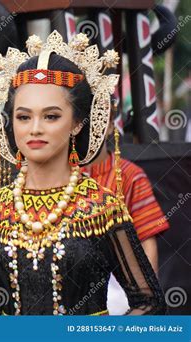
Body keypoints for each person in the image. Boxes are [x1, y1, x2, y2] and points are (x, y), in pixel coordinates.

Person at [0, 31, 166, 315]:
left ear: (77, 123)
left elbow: (149, 302)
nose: (35, 128)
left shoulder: (101, 207)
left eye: (51, 116)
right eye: (23, 116)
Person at [81, 101, 169, 314]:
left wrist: (146, 297)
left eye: (100, 120)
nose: (92, 128)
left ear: (111, 126)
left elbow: (146, 240)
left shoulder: (130, 175)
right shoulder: (60, 175)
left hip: (119, 287)